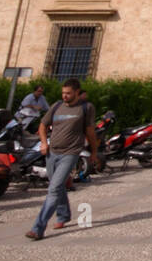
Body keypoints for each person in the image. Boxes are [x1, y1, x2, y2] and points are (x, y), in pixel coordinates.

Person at [26, 78, 101, 240]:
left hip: (71, 153)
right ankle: (64, 215)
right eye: (63, 93)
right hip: (52, 152)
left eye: (68, 93)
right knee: (57, 187)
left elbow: (90, 132)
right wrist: (44, 143)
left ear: (77, 93)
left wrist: (94, 152)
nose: (65, 96)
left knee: (54, 188)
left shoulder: (85, 108)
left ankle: (38, 228)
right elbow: (42, 126)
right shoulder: (57, 106)